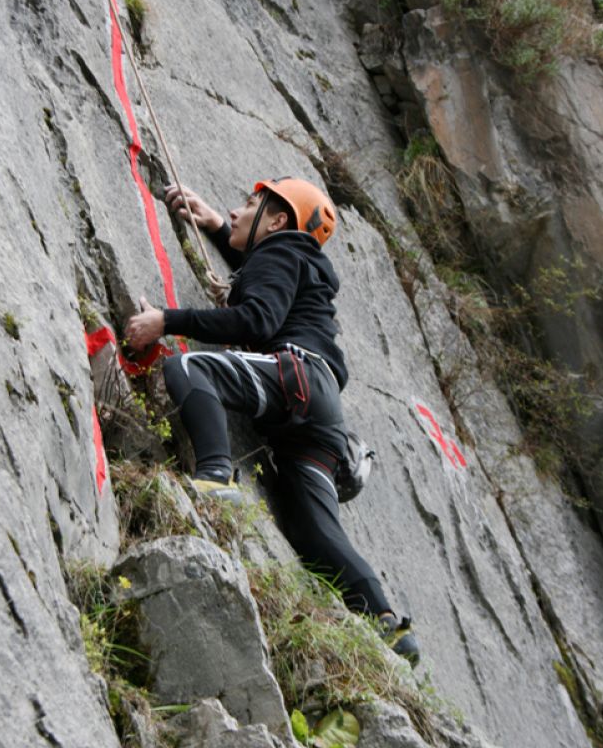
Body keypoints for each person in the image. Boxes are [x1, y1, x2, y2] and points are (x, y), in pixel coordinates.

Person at [125, 177, 419, 664]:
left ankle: (214, 476)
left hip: (294, 375)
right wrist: (217, 227)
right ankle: (384, 619)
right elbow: (266, 280)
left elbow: (257, 318)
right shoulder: (296, 259)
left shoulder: (281, 251)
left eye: (249, 204)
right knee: (313, 529)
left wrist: (166, 321)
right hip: (321, 410)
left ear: (278, 221)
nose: (235, 211)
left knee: (190, 367)